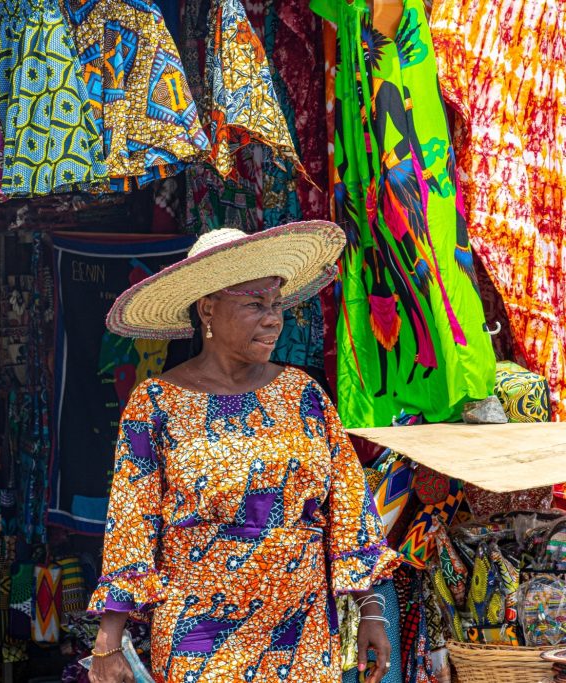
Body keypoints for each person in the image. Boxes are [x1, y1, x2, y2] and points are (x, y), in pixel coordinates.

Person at [88, 222, 401, 683]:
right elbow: (131, 525)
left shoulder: (304, 394)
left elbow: (350, 508)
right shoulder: (157, 403)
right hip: (200, 632)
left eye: (276, 305)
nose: (274, 319)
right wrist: (108, 641)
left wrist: (372, 610)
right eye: (255, 305)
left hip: (304, 629)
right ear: (208, 308)